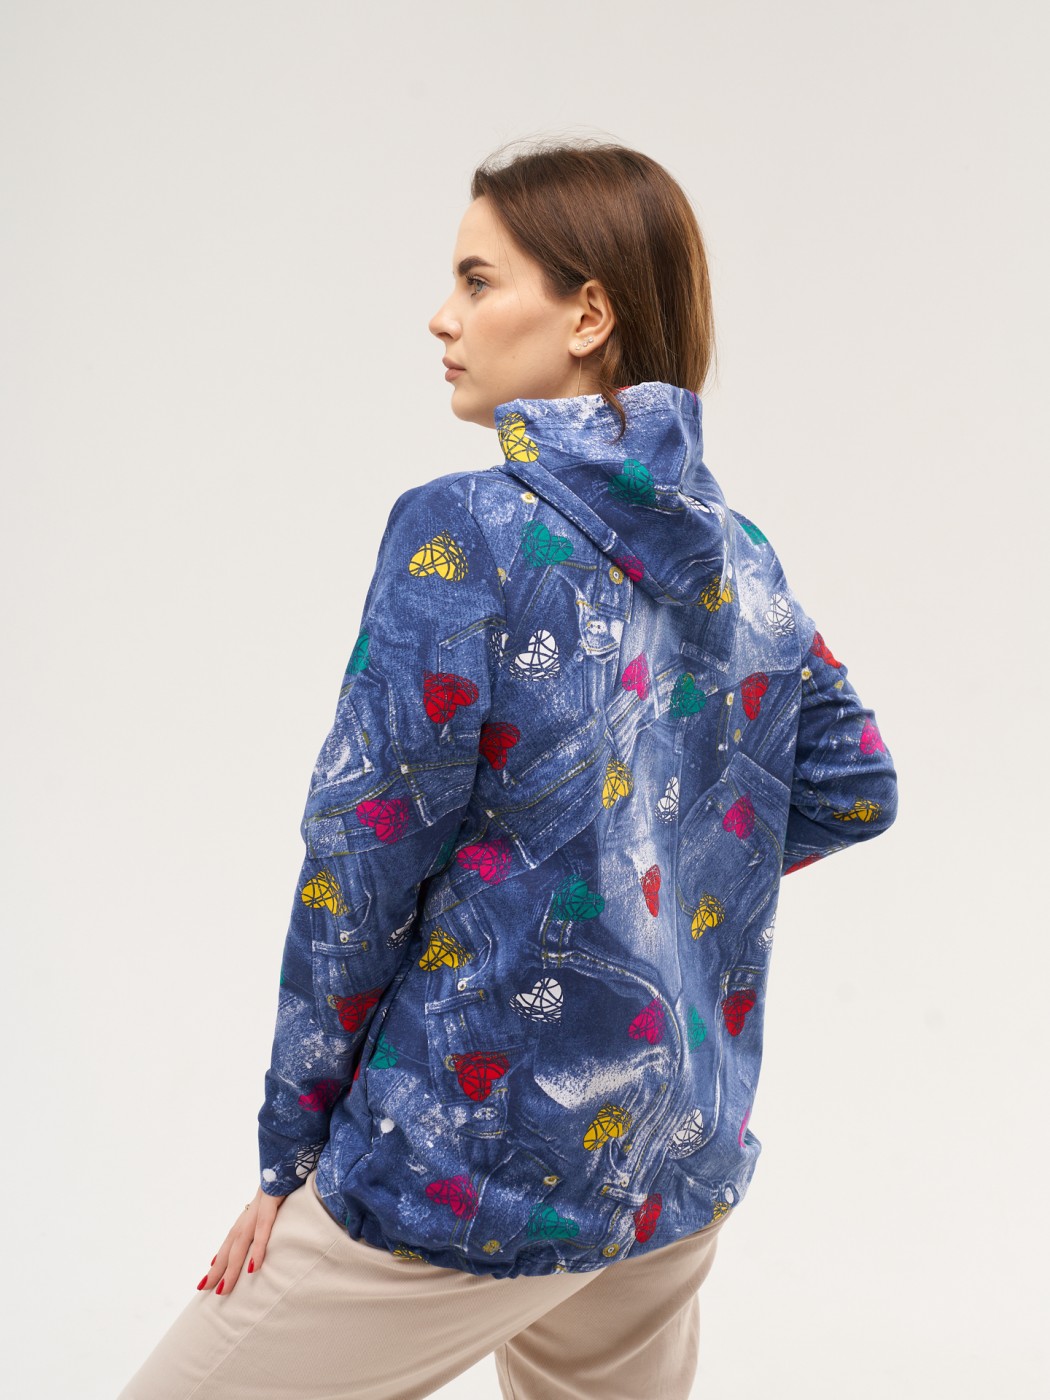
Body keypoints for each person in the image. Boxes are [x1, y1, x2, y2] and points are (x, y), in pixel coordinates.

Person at [117, 140, 898, 1400]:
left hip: (468, 1159)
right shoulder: (739, 553)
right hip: (671, 1161)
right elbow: (852, 779)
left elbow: (362, 858)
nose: (443, 316)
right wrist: (651, 883)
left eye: (479, 281)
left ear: (589, 315)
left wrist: (289, 1154)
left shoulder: (467, 529)